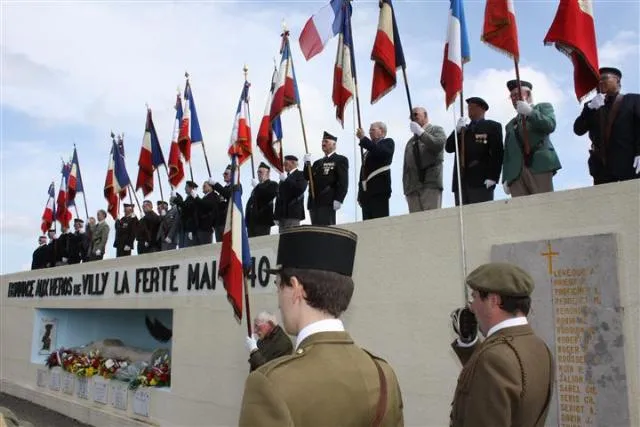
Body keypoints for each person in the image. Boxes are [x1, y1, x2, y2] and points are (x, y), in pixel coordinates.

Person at [238, 225, 404, 427]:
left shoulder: (270, 384)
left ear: (296, 288)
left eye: (278, 285)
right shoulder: (383, 374)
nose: (279, 299)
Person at [449, 262, 554, 427]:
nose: (471, 306)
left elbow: (494, 368)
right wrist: (468, 343)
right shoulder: (539, 347)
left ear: (493, 300)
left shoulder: (493, 359)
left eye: (475, 297)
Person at [573, 67, 640, 184]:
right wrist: (590, 108)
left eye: (604, 78)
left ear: (617, 81)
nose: (600, 82)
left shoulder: (633, 100)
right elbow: (578, 129)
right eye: (598, 80)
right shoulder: (592, 105)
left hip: (629, 163)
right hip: (601, 167)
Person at [502, 80, 562, 197]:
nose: (514, 98)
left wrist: (530, 112)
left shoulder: (543, 108)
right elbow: (507, 153)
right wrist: (505, 177)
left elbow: (550, 125)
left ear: (528, 94)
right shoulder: (510, 124)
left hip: (538, 165)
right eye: (512, 96)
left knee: (543, 205)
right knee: (521, 210)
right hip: (516, 172)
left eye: (518, 94)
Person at [446, 97, 504, 205]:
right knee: (462, 220)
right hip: (461, 182)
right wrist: (457, 131)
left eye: (473, 107)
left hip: (481, 181)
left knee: (481, 218)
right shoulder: (463, 130)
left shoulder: (492, 126)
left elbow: (497, 152)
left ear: (483, 109)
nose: (470, 109)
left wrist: (493, 177)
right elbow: (448, 148)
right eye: (469, 107)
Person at [403, 106, 447, 212]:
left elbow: (438, 144)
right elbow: (406, 167)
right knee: (416, 224)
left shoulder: (436, 130)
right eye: (411, 116)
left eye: (416, 114)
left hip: (430, 183)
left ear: (425, 115)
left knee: (431, 221)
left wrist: (421, 133)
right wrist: (407, 188)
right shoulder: (410, 141)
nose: (413, 117)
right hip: (413, 187)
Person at [303, 131, 349, 226]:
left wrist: (339, 198)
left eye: (326, 141)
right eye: (322, 141)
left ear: (334, 144)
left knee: (326, 230)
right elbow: (307, 177)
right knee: (315, 231)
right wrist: (306, 164)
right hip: (314, 201)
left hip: (328, 200)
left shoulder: (340, 159)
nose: (323, 143)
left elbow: (343, 181)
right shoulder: (317, 163)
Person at [356, 121, 395, 220]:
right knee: (367, 226)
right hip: (366, 193)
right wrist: (360, 193)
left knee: (379, 223)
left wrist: (363, 139)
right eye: (369, 130)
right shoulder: (367, 153)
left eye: (372, 130)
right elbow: (363, 173)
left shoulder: (388, 142)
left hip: (379, 190)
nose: (369, 132)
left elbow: (380, 152)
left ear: (381, 131)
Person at [274, 155, 308, 232]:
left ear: (293, 163)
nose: (283, 165)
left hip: (293, 213)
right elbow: (279, 197)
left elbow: (300, 189)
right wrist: (276, 216)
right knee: (283, 240)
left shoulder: (301, 174)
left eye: (285, 163)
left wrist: (286, 180)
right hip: (282, 215)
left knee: (292, 238)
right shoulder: (284, 178)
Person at [245, 162, 278, 237]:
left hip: (263, 222)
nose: (258, 174)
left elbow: (268, 196)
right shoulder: (256, 188)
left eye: (261, 172)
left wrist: (257, 186)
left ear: (268, 172)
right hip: (252, 223)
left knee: (261, 245)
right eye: (258, 172)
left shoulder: (273, 184)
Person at [175, 181, 200, 247]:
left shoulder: (194, 198)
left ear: (191, 188)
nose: (185, 189)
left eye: (186, 187)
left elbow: (188, 209)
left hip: (190, 228)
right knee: (183, 248)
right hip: (184, 228)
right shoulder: (188, 198)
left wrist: (177, 200)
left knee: (188, 248)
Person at [196, 179, 218, 245]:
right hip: (201, 227)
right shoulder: (205, 197)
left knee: (205, 248)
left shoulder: (213, 195)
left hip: (206, 226)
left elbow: (207, 205)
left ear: (211, 187)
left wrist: (196, 198)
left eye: (205, 186)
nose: (203, 187)